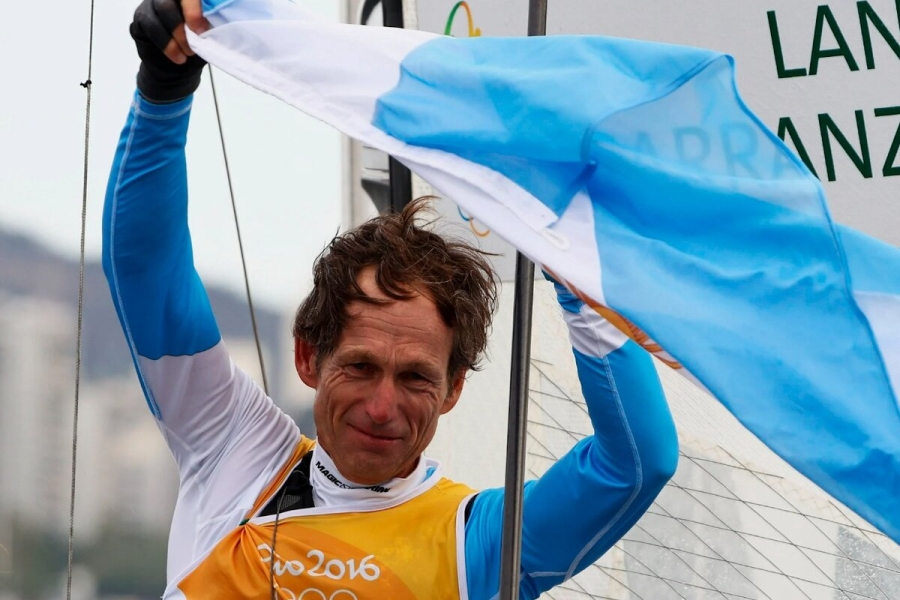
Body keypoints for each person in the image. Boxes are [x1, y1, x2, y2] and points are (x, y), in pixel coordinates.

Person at [104, 0, 679, 597]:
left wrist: (581, 285)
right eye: (360, 367)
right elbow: (149, 272)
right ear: (308, 357)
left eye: (415, 378)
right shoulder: (235, 447)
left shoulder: (476, 543)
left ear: (453, 389)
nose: (382, 408)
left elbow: (638, 463)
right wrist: (164, 90)